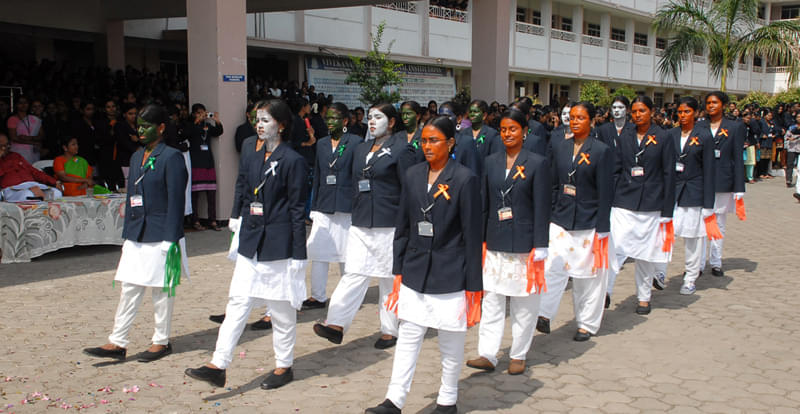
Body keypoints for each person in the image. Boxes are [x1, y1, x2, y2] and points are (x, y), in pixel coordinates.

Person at [185, 99, 307, 389]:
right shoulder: (252, 155)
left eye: (266, 120)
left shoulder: (293, 161)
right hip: (251, 241)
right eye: (257, 120)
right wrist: (237, 219)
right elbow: (242, 186)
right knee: (237, 303)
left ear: (282, 124)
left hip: (279, 246)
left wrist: (299, 255)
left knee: (281, 311)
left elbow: (296, 210)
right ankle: (218, 364)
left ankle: (283, 365)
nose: (259, 125)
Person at [365, 116, 482, 414]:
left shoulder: (465, 179)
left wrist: (474, 289)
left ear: (450, 143)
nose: (427, 146)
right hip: (415, 270)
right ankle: (394, 400)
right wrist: (398, 270)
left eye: (434, 141)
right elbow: (402, 225)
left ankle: (447, 400)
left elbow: (472, 236)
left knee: (450, 341)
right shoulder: (414, 174)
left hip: (451, 272)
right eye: (424, 141)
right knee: (408, 336)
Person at [82, 104, 188, 363]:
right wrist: (127, 234)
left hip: (161, 233)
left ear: (161, 128)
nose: (140, 130)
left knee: (162, 290)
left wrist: (171, 238)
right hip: (137, 233)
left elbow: (176, 201)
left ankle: (161, 341)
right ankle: (118, 342)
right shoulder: (135, 156)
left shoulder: (172, 157)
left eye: (146, 126)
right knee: (129, 287)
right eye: (138, 126)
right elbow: (132, 197)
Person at [313, 102, 413, 349]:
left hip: (389, 221)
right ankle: (336, 324)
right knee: (354, 272)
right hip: (360, 220)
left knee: (389, 278)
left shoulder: (403, 149)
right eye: (369, 117)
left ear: (391, 122)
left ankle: (390, 330)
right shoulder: (361, 147)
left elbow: (410, 187)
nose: (371, 121)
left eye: (378, 117)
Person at [465, 108, 550, 375]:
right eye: (503, 129)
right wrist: (479, 239)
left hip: (524, 243)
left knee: (524, 303)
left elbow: (542, 206)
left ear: (525, 131)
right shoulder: (490, 161)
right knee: (492, 299)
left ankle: (518, 354)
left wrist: (541, 244)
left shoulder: (537, 162)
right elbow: (484, 203)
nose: (507, 134)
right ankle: (488, 354)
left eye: (513, 129)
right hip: (495, 240)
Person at [536, 102, 615, 340]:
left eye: (581, 117)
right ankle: (544, 315)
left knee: (587, 276)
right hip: (560, 218)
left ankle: (587, 324)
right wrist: (548, 214)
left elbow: (606, 191)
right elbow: (552, 183)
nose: (575, 121)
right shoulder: (559, 147)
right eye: (572, 117)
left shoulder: (601, 151)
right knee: (553, 268)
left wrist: (602, 227)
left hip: (588, 221)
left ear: (591, 121)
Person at [606, 95, 675, 315]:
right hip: (623, 201)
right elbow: (615, 169)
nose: (637, 115)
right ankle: (605, 292)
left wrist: (667, 210)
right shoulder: (624, 136)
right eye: (634, 111)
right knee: (615, 249)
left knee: (646, 254)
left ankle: (644, 297)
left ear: (652, 112)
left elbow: (669, 174)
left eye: (642, 111)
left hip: (651, 204)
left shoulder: (663, 137)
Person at [303, 103, 362, 309]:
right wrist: (314, 204)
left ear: (345, 121)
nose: (330, 122)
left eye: (335, 118)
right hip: (324, 204)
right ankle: (317, 296)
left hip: (347, 205)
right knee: (319, 251)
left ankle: (348, 296)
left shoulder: (355, 142)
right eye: (327, 118)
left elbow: (358, 174)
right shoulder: (321, 143)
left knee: (347, 253)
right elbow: (318, 175)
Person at [665, 97, 716, 295]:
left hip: (694, 192)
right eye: (680, 112)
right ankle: (660, 273)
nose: (683, 115)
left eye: (687, 112)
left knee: (693, 239)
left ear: (695, 113)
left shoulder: (704, 136)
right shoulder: (670, 134)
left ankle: (690, 277)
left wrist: (708, 203)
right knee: (666, 236)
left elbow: (710, 170)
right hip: (673, 192)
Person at [698, 91, 745, 277]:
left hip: (723, 180)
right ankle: (698, 264)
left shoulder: (734, 127)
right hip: (701, 180)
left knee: (719, 222)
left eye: (715, 102)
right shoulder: (700, 126)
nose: (711, 106)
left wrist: (739, 186)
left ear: (723, 105)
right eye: (708, 102)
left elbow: (737, 157)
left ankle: (716, 261)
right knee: (701, 224)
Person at [186, 103, 224, 231]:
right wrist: (196, 122)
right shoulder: (191, 125)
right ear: (194, 114)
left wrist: (217, 122)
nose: (202, 115)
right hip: (196, 161)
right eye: (199, 112)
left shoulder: (206, 126)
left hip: (208, 161)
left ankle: (212, 220)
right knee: (195, 194)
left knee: (211, 193)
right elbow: (187, 134)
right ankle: (195, 220)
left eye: (204, 112)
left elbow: (218, 132)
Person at [0, 132, 63, 201]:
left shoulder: (16, 156)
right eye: (2, 146)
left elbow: (34, 171)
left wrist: (54, 182)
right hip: (13, 189)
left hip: (32, 185)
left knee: (57, 193)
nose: (5, 148)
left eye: (7, 145)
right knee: (27, 195)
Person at [6, 96, 43, 163]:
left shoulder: (33, 119)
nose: (23, 105)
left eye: (25, 102)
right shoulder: (12, 119)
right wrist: (33, 142)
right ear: (16, 105)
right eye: (20, 103)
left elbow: (41, 135)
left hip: (34, 152)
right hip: (18, 152)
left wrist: (29, 138)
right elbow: (14, 138)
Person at [114, 103, 141, 181]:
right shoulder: (120, 125)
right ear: (124, 114)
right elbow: (123, 142)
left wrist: (138, 140)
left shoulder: (139, 125)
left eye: (135, 113)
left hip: (140, 159)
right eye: (130, 114)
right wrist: (136, 149)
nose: (133, 116)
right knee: (128, 181)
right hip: (125, 159)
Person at [785, 113, 800, 193]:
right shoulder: (792, 127)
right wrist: (789, 139)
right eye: (798, 117)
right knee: (790, 164)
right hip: (792, 148)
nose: (799, 118)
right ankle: (789, 180)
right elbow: (787, 136)